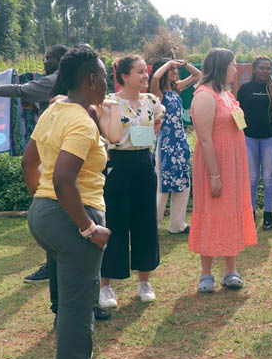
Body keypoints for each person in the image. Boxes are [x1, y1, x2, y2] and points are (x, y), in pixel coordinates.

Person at [22, 46, 113, 359]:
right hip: (73, 217)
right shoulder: (80, 121)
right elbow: (64, 179)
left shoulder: (53, 112)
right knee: (78, 309)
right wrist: (88, 228)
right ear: (91, 79)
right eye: (104, 77)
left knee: (68, 301)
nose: (107, 84)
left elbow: (28, 163)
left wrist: (42, 202)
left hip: (43, 215)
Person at [0, 45, 69, 284]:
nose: (44, 61)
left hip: (54, 152)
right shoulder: (70, 81)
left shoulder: (52, 81)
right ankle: (62, 261)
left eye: (49, 57)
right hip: (67, 151)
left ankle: (54, 264)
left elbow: (18, 89)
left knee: (51, 207)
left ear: (61, 60)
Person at [95, 55, 165, 308]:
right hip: (118, 166)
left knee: (146, 222)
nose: (145, 76)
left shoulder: (151, 101)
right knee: (115, 224)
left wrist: (142, 139)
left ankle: (144, 281)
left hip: (144, 164)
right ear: (124, 76)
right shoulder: (110, 103)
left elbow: (157, 122)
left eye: (146, 72)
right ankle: (105, 286)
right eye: (139, 72)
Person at [189, 48, 257, 293]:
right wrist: (214, 175)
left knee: (230, 213)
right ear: (221, 66)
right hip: (214, 166)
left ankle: (231, 271)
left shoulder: (225, 94)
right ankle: (206, 274)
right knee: (210, 212)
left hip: (233, 166)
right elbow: (205, 139)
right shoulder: (204, 96)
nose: (236, 69)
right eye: (233, 65)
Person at [149, 58, 200, 235]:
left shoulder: (176, 88)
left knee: (183, 183)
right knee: (162, 185)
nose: (174, 72)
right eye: (170, 70)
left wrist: (184, 63)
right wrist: (168, 62)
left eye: (174, 69)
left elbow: (197, 75)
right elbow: (155, 78)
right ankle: (153, 225)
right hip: (165, 142)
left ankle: (177, 225)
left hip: (180, 141)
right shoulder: (158, 92)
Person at [236, 55, 272, 230]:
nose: (265, 71)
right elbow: (237, 112)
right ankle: (251, 213)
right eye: (262, 68)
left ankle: (268, 215)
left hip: (270, 138)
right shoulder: (245, 88)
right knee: (252, 178)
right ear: (254, 69)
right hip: (249, 138)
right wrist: (240, 131)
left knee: (269, 178)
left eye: (268, 68)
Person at [0, 45, 68, 115]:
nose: (45, 62)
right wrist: (35, 109)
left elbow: (18, 90)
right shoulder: (70, 79)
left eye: (48, 58)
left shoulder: (53, 81)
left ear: (59, 59)